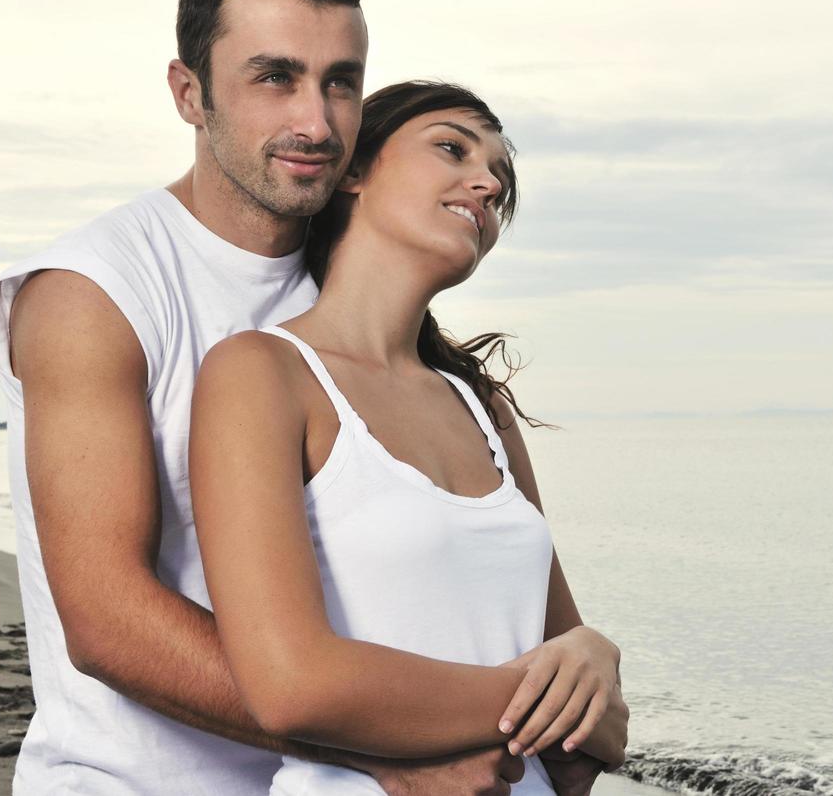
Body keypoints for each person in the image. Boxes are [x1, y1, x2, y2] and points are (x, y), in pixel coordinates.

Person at [0, 0, 566, 794]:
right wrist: (387, 750)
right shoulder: (97, 292)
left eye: (341, 82)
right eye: (274, 77)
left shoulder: (352, 297)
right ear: (190, 93)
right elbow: (108, 621)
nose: (316, 121)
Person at [188, 81, 626, 796]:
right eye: (453, 149)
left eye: (501, 183)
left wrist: (594, 655)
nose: (487, 185)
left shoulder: (482, 406)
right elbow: (290, 684)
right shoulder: (262, 374)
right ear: (354, 171)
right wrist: (546, 705)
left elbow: (596, 727)